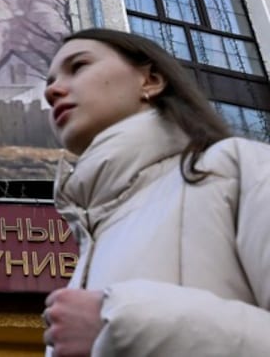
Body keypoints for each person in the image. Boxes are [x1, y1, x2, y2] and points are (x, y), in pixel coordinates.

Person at [41, 28, 270, 356]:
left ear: (150, 80)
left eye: (78, 66)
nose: (52, 92)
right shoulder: (90, 245)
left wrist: (118, 325)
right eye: (48, 83)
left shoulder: (239, 168)